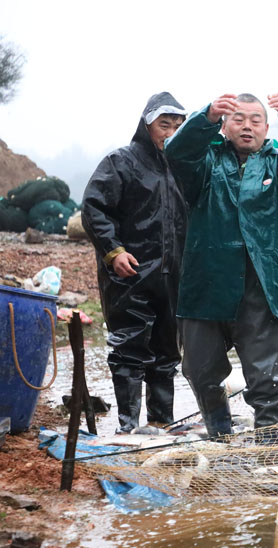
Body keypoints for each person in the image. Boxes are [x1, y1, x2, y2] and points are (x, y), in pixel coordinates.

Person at [164, 93, 278, 441]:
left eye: (256, 119)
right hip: (205, 284)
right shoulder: (204, 163)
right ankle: (220, 433)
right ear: (225, 126)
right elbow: (176, 153)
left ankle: (269, 451)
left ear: (267, 128)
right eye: (238, 118)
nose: (247, 126)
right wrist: (203, 118)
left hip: (262, 287)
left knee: (268, 380)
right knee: (199, 371)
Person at [81, 92, 187, 433]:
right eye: (163, 125)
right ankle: (128, 426)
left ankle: (161, 423)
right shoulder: (121, 161)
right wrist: (114, 251)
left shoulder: (183, 169)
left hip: (172, 275)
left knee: (167, 351)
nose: (169, 132)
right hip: (129, 273)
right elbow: (94, 208)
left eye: (176, 126)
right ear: (147, 125)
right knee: (129, 348)